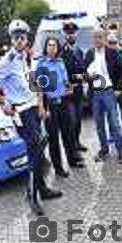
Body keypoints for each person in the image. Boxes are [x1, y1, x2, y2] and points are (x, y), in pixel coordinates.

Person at [0, 20, 62, 215]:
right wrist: (3, 102)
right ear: (11, 39)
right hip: (22, 113)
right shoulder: (8, 60)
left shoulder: (28, 57)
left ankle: (42, 189)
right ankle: (32, 194)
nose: (19, 40)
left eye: (22, 37)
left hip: (34, 109)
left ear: (27, 38)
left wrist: (41, 106)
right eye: (15, 37)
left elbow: (35, 82)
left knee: (37, 150)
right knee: (34, 151)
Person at [35, 36, 84, 177]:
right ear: (46, 47)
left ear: (58, 48)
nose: (52, 48)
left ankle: (72, 160)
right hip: (50, 104)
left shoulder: (60, 62)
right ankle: (58, 168)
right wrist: (41, 107)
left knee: (68, 133)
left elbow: (66, 81)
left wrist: (69, 87)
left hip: (64, 102)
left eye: (54, 45)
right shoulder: (41, 64)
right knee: (54, 139)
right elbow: (38, 88)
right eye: (49, 45)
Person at [84, 28, 122, 163]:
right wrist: (87, 76)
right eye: (95, 37)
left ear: (104, 38)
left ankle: (121, 151)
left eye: (99, 37)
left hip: (109, 91)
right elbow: (84, 72)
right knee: (99, 124)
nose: (97, 40)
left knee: (114, 123)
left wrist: (119, 88)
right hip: (95, 93)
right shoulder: (89, 54)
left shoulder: (113, 53)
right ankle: (104, 149)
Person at [61, 19, 88, 152]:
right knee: (70, 121)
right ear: (64, 34)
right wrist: (75, 77)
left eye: (72, 32)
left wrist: (85, 75)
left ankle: (77, 142)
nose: (70, 35)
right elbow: (61, 73)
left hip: (79, 90)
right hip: (68, 91)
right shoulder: (61, 52)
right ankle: (71, 148)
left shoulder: (79, 51)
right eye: (68, 33)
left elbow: (82, 68)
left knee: (78, 119)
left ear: (76, 34)